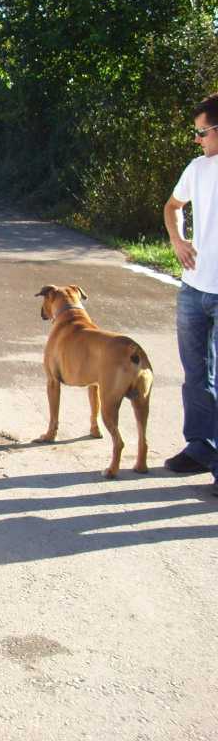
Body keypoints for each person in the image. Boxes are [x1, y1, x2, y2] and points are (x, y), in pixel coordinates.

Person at [163, 92, 218, 497]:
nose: (197, 139)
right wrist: (177, 240)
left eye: (201, 132)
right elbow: (172, 205)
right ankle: (200, 448)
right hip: (194, 288)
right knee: (196, 376)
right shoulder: (197, 168)